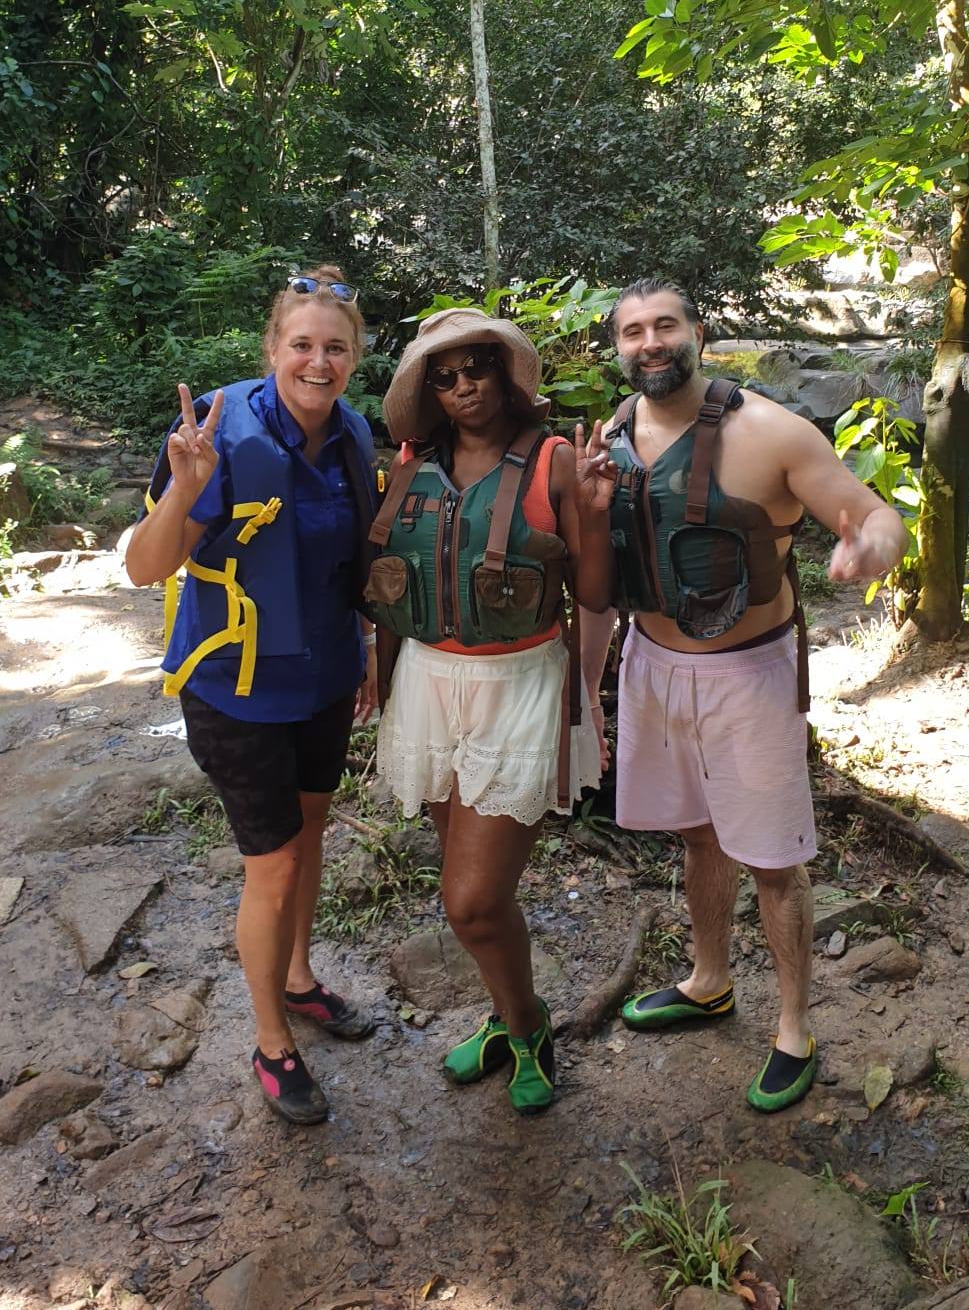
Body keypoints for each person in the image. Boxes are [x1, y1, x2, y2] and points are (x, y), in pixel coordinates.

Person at [575, 279, 908, 1113]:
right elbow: (602, 573)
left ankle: (794, 1028)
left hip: (749, 675)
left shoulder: (771, 432)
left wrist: (871, 549)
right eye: (632, 332)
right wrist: (586, 686)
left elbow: (874, 515)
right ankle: (708, 980)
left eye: (665, 326)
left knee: (772, 857)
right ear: (617, 348)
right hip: (651, 663)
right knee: (698, 835)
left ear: (699, 334)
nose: (650, 343)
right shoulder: (615, 434)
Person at [124, 267, 381, 1126]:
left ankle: (300, 979)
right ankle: (272, 1043)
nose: (318, 362)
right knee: (272, 866)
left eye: (334, 348)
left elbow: (349, 560)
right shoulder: (221, 431)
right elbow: (145, 567)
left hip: (324, 674)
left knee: (311, 833)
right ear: (273, 348)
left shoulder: (351, 433)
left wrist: (366, 646)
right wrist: (185, 487)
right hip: (234, 688)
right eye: (301, 345)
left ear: (354, 358)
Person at [368, 309, 609, 1114]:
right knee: (475, 892)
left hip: (518, 685)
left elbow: (594, 593)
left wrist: (595, 511)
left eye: (478, 367)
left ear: (505, 374)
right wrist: (378, 683)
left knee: (470, 900)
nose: (464, 385)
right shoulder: (412, 466)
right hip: (428, 684)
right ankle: (509, 1020)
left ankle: (530, 1025)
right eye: (445, 376)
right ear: (428, 391)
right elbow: (390, 584)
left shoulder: (553, 460)